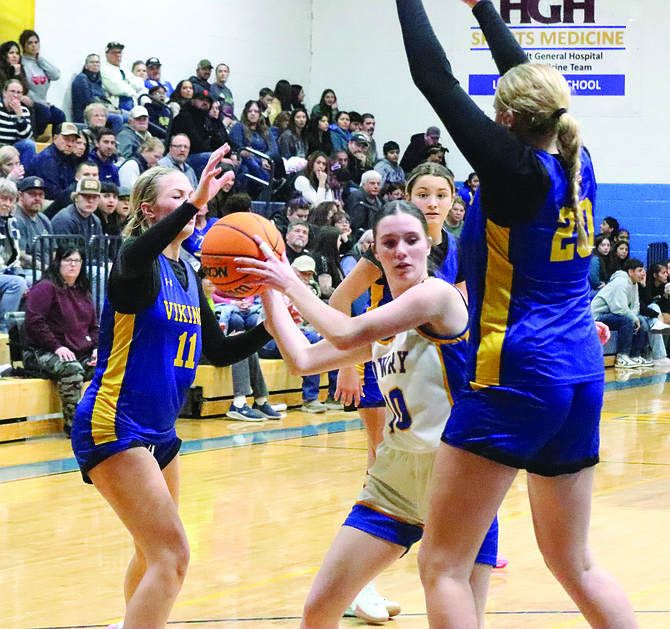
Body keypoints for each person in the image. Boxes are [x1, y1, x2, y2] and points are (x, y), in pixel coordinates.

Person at [396, 1, 638, 628]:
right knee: (574, 561)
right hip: (581, 371)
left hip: (516, 372)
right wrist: (482, 8)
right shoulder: (574, 159)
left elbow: (434, 79)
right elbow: (524, 75)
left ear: (505, 118)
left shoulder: (512, 172)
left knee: (443, 565)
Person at [240, 201, 498, 629]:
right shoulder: (383, 325)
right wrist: (267, 290)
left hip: (457, 478)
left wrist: (289, 281)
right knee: (319, 609)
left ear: (429, 243)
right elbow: (302, 359)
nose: (402, 252)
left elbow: (344, 331)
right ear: (374, 252)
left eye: (412, 241)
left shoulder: (437, 297)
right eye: (390, 243)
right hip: (394, 479)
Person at [70, 146, 275, 629]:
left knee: (152, 552)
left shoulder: (187, 271)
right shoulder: (133, 263)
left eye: (196, 195)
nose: (196, 201)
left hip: (161, 432)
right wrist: (196, 198)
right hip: (113, 423)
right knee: (174, 556)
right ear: (148, 209)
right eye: (180, 195)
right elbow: (137, 250)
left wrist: (273, 322)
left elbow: (219, 352)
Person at [23, 244, 97, 437]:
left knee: (106, 367)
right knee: (72, 368)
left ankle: (100, 420)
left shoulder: (83, 291)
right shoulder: (45, 288)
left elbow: (93, 328)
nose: (73, 265)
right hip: (41, 352)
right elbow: (34, 322)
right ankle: (74, 426)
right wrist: (56, 347)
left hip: (79, 351)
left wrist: (97, 349)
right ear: (58, 263)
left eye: (77, 261)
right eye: (68, 260)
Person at [591, 258, 653, 369]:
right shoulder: (621, 282)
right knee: (627, 320)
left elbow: (635, 305)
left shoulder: (634, 283)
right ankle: (622, 356)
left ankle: (635, 355)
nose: (643, 273)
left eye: (643, 270)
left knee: (642, 320)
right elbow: (618, 309)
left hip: (613, 314)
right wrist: (633, 318)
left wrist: (635, 317)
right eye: (639, 270)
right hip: (599, 316)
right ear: (630, 272)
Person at [19, 29, 65, 139]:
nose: (34, 46)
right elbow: (23, 87)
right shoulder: (21, 63)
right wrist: (38, 101)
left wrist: (39, 59)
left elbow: (56, 75)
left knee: (59, 115)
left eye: (36, 42)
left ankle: (58, 143)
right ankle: (34, 137)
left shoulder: (40, 62)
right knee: (44, 112)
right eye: (30, 43)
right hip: (29, 102)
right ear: (23, 46)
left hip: (42, 103)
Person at [0, 78, 35, 167]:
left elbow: (26, 136)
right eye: (12, 91)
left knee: (29, 144)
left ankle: (21, 177)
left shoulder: (24, 111)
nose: (15, 95)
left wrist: (19, 115)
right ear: (4, 93)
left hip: (13, 146)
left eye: (19, 93)